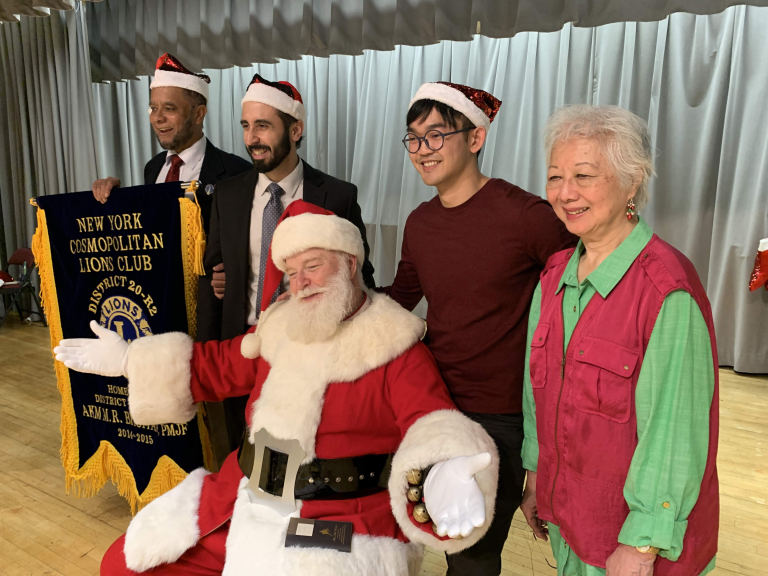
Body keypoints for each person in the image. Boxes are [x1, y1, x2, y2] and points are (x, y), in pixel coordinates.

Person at [54, 201, 499, 576]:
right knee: (126, 565)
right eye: (291, 272)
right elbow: (216, 365)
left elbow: (431, 421)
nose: (300, 282)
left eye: (313, 266)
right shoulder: (281, 325)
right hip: (243, 495)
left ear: (349, 263)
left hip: (338, 524)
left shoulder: (394, 341)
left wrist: (438, 470)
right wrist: (129, 359)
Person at [379, 82, 577, 575]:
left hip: (501, 414)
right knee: (432, 528)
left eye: (436, 135)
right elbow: (400, 298)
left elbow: (577, 291)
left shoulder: (525, 216)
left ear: (475, 138)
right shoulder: (420, 223)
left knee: (473, 553)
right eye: (413, 138)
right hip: (432, 404)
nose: (423, 149)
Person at [519, 105, 719, 576]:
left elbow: (674, 434)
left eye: (584, 176)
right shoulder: (553, 277)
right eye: (555, 177)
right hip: (568, 518)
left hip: (632, 543)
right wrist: (536, 478)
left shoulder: (665, 290)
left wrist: (642, 544)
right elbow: (537, 393)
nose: (565, 193)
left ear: (632, 182)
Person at [196, 74, 375, 467]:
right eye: (246, 125)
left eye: (263, 126)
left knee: (300, 460)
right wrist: (208, 349)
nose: (252, 138)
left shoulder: (337, 195)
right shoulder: (228, 194)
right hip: (241, 348)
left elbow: (363, 277)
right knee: (239, 462)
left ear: (295, 130)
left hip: (309, 350)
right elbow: (213, 277)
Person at [91, 53, 252, 233]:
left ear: (198, 114)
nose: (157, 118)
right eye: (153, 108)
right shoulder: (152, 168)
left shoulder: (238, 173)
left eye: (169, 108)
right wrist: (116, 198)